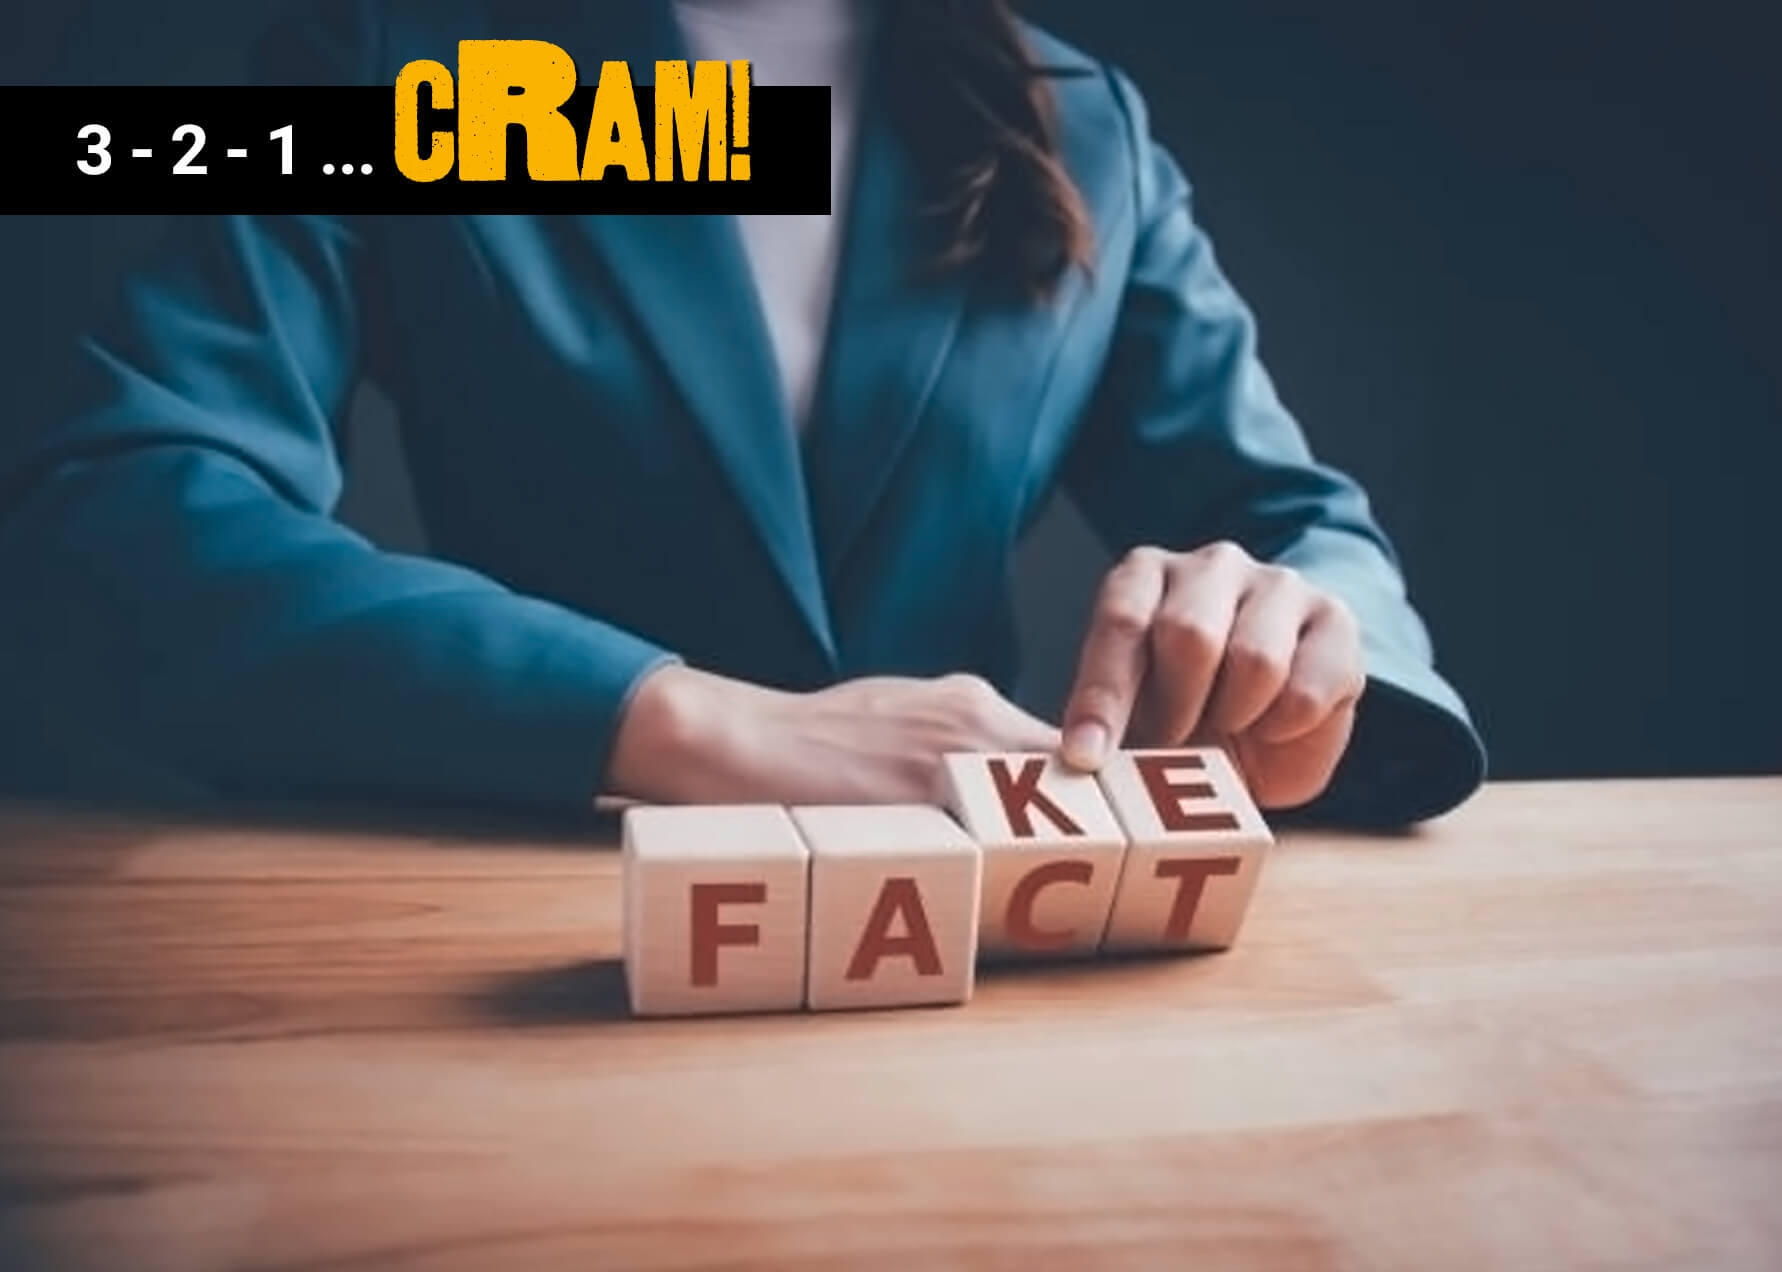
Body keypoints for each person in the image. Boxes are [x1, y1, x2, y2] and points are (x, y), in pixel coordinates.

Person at [0, 0, 1484, 824]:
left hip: (981, 928)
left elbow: (1297, 527)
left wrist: (1306, 674)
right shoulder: (408, 70)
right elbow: (125, 508)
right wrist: (683, 722)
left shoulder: (1078, 117)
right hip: (532, 919)